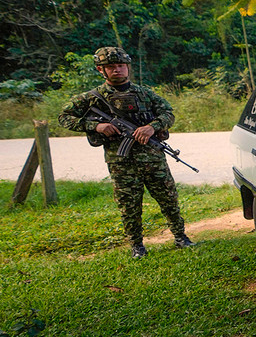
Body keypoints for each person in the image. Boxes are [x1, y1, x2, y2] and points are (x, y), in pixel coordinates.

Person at [58, 46, 194, 259]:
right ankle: (137, 246)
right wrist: (96, 127)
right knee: (129, 206)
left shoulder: (144, 93)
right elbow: (64, 117)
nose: (117, 70)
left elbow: (168, 113)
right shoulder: (92, 98)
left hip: (153, 159)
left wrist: (153, 126)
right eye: (110, 67)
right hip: (121, 163)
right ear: (100, 69)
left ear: (127, 67)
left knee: (169, 199)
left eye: (121, 66)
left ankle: (181, 237)